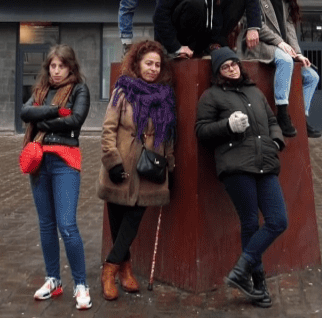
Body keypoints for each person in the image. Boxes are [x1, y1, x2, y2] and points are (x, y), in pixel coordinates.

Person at [195, 47, 287, 308]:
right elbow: (201, 131)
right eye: (225, 67)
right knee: (250, 223)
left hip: (265, 162)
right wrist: (227, 126)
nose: (232, 69)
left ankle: (240, 269)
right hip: (235, 165)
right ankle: (258, 285)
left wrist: (276, 141)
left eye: (234, 64)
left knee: (278, 220)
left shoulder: (255, 92)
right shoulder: (211, 96)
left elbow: (272, 121)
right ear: (218, 73)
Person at [96, 40, 177, 301]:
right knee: (117, 220)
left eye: (157, 65)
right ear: (137, 64)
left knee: (132, 220)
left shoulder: (165, 96)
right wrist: (112, 161)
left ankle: (109, 269)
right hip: (120, 164)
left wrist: (170, 165)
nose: (153, 69)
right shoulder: (123, 90)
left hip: (148, 169)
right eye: (148, 63)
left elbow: (168, 135)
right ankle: (125, 269)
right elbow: (108, 128)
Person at [20, 44, 93, 310]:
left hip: (65, 162)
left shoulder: (79, 89)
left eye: (62, 66)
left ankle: (81, 284)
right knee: (46, 224)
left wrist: (40, 119)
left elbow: (75, 121)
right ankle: (53, 280)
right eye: (53, 66)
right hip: (39, 161)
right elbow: (25, 112)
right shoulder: (41, 90)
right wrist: (54, 111)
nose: (57, 71)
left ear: (71, 67)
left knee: (67, 224)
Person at [238, 0, 321, 138]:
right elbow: (257, 26)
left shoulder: (284, 0)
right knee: (285, 60)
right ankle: (282, 114)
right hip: (260, 46)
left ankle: (301, 119)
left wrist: (298, 53)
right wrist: (279, 42)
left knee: (312, 76)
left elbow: (290, 29)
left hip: (281, 47)